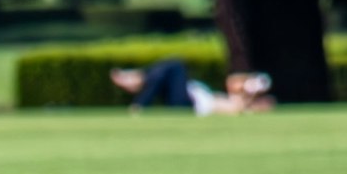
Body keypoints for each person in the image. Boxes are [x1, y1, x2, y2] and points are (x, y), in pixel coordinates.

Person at [110, 58, 272, 115]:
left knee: (175, 65)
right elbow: (232, 81)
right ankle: (138, 82)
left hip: (187, 104)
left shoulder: (239, 106)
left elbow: (240, 106)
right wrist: (249, 82)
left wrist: (251, 94)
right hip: (186, 96)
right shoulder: (232, 96)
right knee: (164, 73)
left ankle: (139, 92)